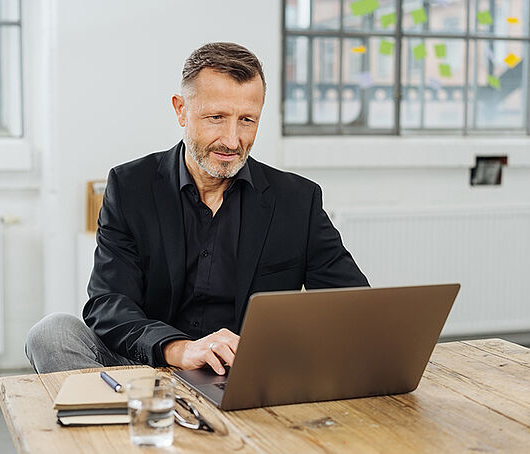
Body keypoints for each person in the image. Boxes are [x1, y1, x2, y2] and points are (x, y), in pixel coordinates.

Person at [26, 42, 369, 374]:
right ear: (181, 110)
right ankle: (137, 411)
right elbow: (109, 304)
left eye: (247, 120)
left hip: (246, 372)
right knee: (52, 334)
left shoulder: (297, 200)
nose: (232, 141)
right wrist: (180, 350)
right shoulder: (129, 187)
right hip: (150, 365)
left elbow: (354, 308)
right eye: (216, 117)